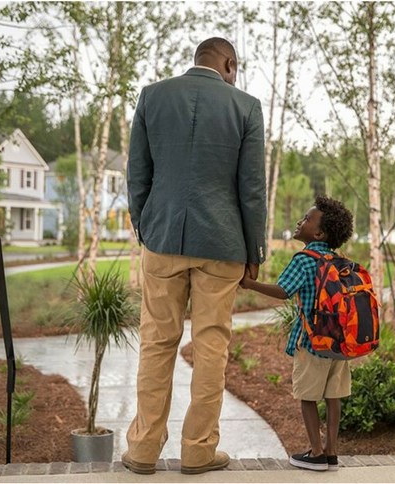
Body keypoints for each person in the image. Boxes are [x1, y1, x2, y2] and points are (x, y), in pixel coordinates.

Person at [123, 37, 266, 475]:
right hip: (222, 246)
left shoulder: (152, 96)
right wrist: (254, 248)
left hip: (162, 239)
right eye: (235, 68)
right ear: (228, 62)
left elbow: (137, 174)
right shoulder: (246, 107)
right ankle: (199, 449)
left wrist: (145, 226)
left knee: (156, 343)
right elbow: (252, 188)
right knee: (211, 347)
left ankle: (144, 448)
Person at [240, 195, 354, 472]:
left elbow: (283, 291)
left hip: (312, 341)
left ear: (318, 233)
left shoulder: (304, 259)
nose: (299, 221)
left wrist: (249, 284)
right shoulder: (339, 260)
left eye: (306, 219)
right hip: (339, 343)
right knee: (333, 396)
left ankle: (315, 453)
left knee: (307, 396)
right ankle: (332, 452)